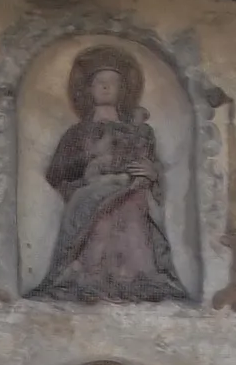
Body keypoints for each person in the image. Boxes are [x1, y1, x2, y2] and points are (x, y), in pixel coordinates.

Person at [32, 46, 187, 302]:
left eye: (112, 82)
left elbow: (153, 167)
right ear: (89, 90)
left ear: (123, 90)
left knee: (134, 202)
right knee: (102, 208)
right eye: (99, 82)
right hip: (89, 194)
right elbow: (57, 173)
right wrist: (90, 167)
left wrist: (151, 173)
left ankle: (137, 278)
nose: (105, 87)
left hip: (133, 193)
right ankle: (89, 276)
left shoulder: (139, 132)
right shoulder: (77, 133)